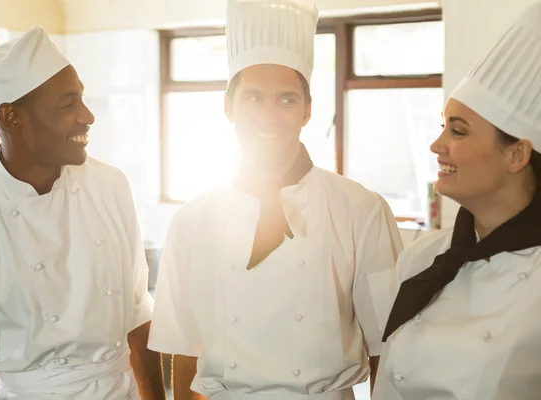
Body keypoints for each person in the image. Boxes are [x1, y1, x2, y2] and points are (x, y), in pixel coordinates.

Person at [147, 0, 403, 399]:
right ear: (228, 106)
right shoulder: (194, 219)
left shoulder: (361, 209)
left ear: (307, 111)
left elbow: (386, 347)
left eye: (286, 99)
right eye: (253, 98)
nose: (269, 115)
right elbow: (185, 348)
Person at [0, 26, 165, 400]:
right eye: (68, 104)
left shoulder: (111, 186)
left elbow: (138, 315)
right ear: (12, 118)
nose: (88, 116)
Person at [372, 2, 541, 399]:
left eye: (458, 132)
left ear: (516, 154)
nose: (436, 145)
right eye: (442, 127)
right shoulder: (423, 257)